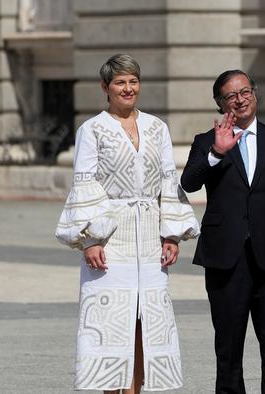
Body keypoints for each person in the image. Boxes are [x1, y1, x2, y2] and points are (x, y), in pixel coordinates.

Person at [55, 54, 200, 393]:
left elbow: (168, 179)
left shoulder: (156, 127)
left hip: (149, 235)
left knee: (144, 322)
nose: (128, 88)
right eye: (120, 82)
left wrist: (172, 234)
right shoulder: (92, 130)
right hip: (110, 237)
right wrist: (90, 239)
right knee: (111, 322)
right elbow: (84, 182)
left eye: (133, 81)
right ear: (106, 87)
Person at [180, 70, 265, 393]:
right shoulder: (206, 141)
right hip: (226, 259)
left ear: (255, 93)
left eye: (245, 91)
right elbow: (189, 183)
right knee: (229, 348)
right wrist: (217, 153)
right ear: (222, 104)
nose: (240, 99)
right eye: (231, 96)